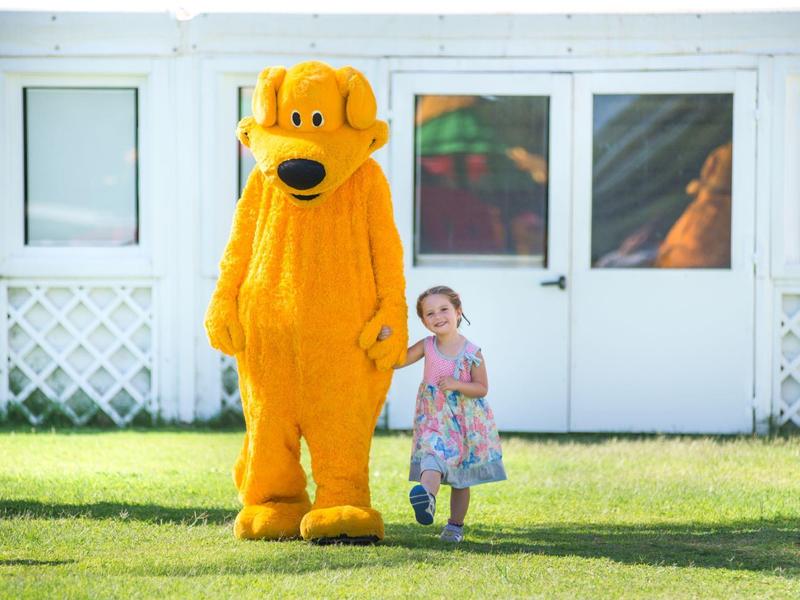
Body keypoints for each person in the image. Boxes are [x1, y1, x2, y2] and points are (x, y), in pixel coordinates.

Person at [379, 285, 506, 543]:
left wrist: (458, 384)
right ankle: (426, 497)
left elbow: (482, 388)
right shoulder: (427, 346)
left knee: (461, 477)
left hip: (464, 423)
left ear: (458, 311)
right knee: (431, 457)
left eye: (444, 309)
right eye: (430, 313)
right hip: (434, 418)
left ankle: (454, 526)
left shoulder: (472, 352)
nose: (438, 316)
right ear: (424, 322)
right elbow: (398, 360)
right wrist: (385, 338)